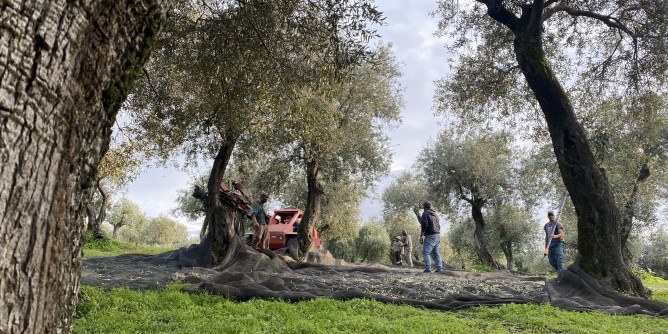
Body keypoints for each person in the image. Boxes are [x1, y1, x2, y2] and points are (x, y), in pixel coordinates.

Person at [419, 201, 442, 273]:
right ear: (430, 206)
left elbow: (424, 225)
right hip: (437, 235)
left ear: (424, 207)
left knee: (426, 252)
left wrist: (421, 235)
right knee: (437, 252)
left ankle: (428, 268)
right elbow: (438, 225)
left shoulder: (425, 213)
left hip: (430, 235)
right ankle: (439, 268)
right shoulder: (435, 214)